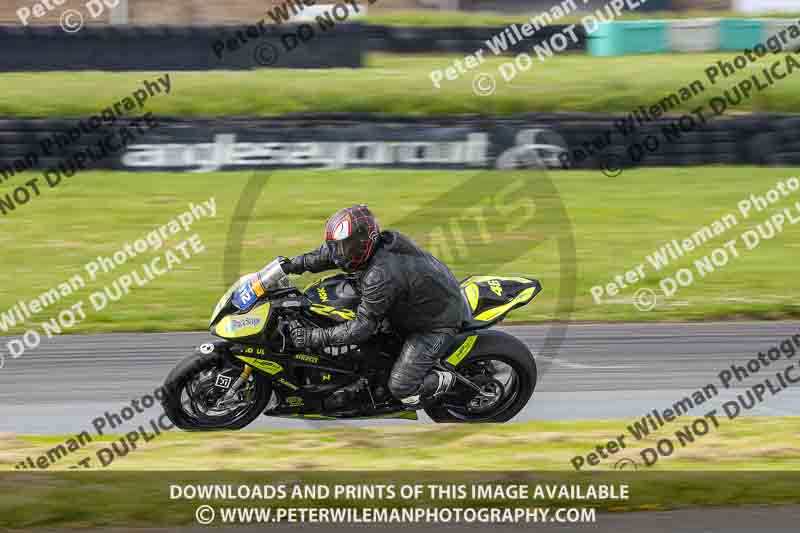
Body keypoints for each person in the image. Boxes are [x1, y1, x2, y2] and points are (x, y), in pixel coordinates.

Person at [281, 204, 465, 408]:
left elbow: (362, 327)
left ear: (361, 244)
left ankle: (447, 379)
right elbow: (327, 255)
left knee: (401, 387)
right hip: (419, 300)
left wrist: (313, 337)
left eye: (343, 247)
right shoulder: (376, 247)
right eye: (337, 246)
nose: (338, 253)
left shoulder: (380, 274)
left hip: (434, 323)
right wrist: (291, 265)